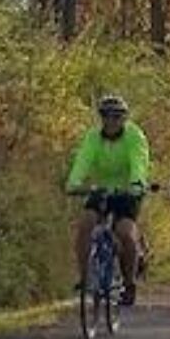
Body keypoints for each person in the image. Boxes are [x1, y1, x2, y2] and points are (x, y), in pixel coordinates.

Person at [65, 94, 151, 306]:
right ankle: (85, 277)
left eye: (117, 117)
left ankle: (129, 283)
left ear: (124, 119)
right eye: (106, 116)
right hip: (101, 188)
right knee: (85, 224)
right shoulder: (93, 137)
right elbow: (83, 159)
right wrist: (74, 182)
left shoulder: (134, 136)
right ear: (101, 118)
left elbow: (138, 161)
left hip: (127, 190)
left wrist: (136, 184)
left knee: (125, 233)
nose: (111, 121)